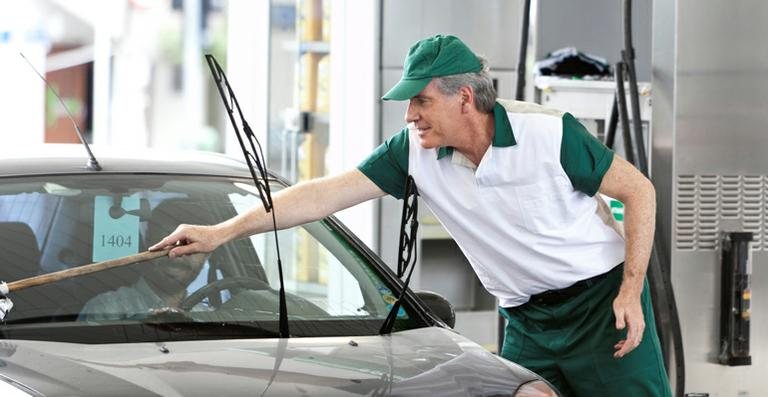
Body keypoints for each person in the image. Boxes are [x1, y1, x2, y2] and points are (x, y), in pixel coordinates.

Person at [150, 34, 671, 395]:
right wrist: (222, 231)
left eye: (420, 101)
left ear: (464, 97)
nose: (409, 114)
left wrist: (631, 288)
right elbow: (321, 196)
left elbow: (640, 190)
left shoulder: (550, 134)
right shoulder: (413, 151)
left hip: (602, 305)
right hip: (527, 320)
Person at [80, 201, 212, 322]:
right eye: (169, 242)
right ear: (148, 243)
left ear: (207, 254)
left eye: (191, 246)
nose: (178, 253)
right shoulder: (106, 311)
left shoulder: (209, 319)